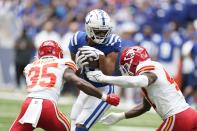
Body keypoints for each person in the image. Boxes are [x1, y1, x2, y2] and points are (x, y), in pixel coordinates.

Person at [9, 40, 120, 131]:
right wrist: (105, 97)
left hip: (28, 105)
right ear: (58, 52)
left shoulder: (29, 66)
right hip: (48, 106)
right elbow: (79, 82)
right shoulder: (61, 63)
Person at [87, 46, 197, 131]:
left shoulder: (145, 69)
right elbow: (145, 106)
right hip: (190, 115)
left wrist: (105, 78)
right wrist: (121, 116)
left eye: (126, 66)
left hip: (178, 117)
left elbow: (140, 81)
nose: (126, 70)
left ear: (133, 62)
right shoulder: (153, 70)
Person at [68, 9, 121, 131]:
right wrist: (78, 66)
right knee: (73, 120)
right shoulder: (77, 39)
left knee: (81, 126)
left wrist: (100, 57)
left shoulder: (112, 41)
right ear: (88, 28)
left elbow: (108, 73)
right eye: (99, 31)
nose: (102, 35)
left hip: (104, 88)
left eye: (105, 31)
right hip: (85, 86)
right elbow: (74, 73)